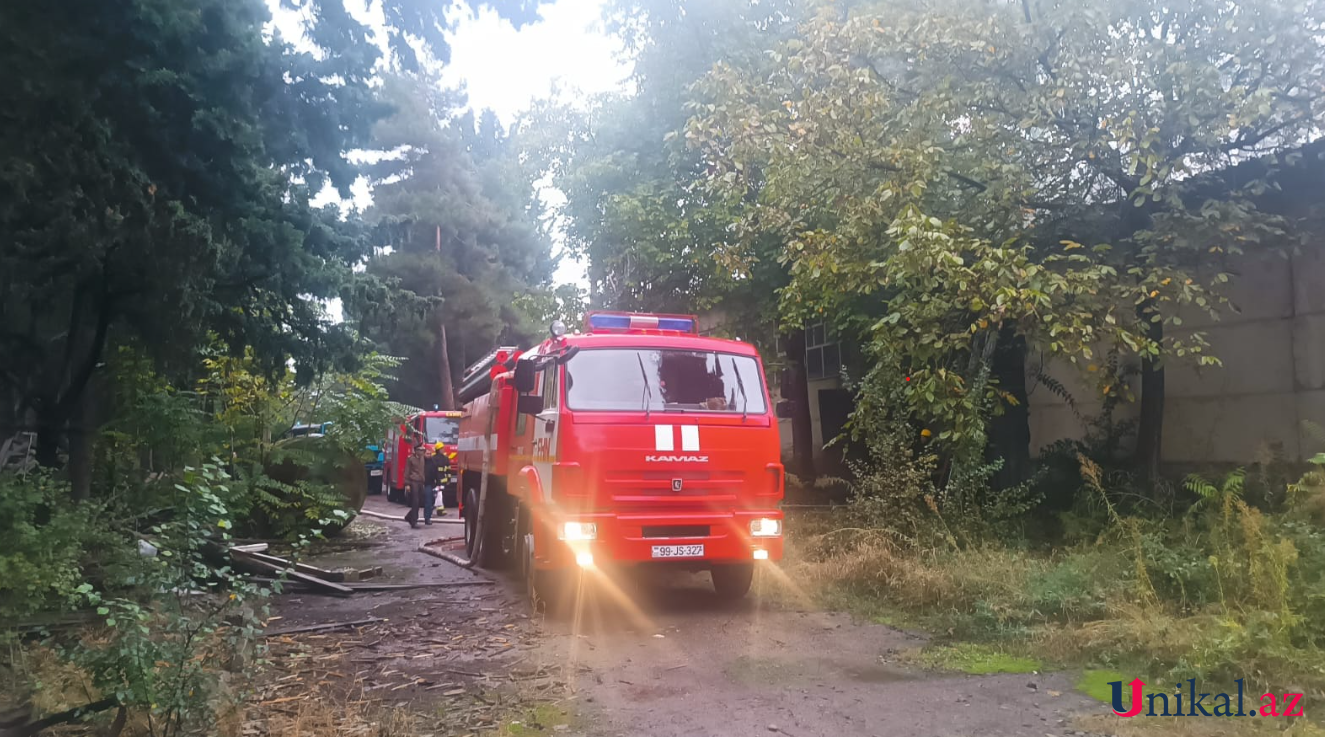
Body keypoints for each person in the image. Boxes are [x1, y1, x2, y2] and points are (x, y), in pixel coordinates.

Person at [424, 442, 452, 524]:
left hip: (441, 480)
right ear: (438, 450)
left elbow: (448, 469)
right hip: (435, 480)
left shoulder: (445, 458)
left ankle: (436, 510)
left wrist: (448, 478)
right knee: (435, 496)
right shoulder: (433, 459)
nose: (443, 450)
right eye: (442, 448)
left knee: (439, 495)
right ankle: (434, 511)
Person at [404, 441, 427, 528]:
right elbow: (407, 472)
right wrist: (407, 484)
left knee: (420, 502)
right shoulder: (410, 459)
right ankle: (414, 521)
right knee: (415, 501)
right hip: (413, 482)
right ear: (416, 450)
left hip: (421, 482)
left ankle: (409, 516)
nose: (422, 451)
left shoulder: (423, 459)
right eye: (420, 450)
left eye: (423, 450)